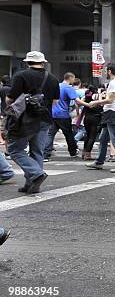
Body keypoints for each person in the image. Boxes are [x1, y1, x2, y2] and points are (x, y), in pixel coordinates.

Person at [5, 51, 60, 194]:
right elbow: (55, 102)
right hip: (44, 118)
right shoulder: (53, 79)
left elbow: (11, 98)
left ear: (28, 62)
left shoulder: (21, 76)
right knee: (37, 151)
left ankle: (36, 174)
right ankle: (32, 184)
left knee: (15, 149)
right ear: (43, 62)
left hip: (24, 120)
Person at [85, 63, 115, 173]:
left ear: (109, 71)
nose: (105, 73)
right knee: (103, 139)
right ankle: (99, 162)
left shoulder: (114, 83)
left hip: (112, 112)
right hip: (110, 112)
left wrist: (96, 102)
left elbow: (110, 100)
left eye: (106, 71)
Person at [44, 72, 87, 160]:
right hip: (63, 114)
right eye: (73, 79)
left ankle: (45, 154)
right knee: (68, 134)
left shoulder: (56, 86)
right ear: (70, 78)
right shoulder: (68, 88)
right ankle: (73, 152)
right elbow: (77, 101)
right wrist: (88, 105)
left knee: (50, 134)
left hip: (52, 113)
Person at [81, 85, 104, 160]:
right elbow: (101, 104)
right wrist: (100, 94)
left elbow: (80, 101)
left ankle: (84, 152)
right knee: (92, 137)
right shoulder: (97, 96)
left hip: (87, 117)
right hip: (95, 118)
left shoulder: (86, 96)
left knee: (87, 135)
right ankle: (88, 154)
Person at [0, 75, 10, 150]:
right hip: (14, 113)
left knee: (4, 131)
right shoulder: (13, 88)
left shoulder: (2, 89)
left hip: (4, 112)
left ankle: (8, 151)